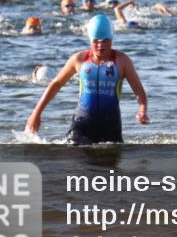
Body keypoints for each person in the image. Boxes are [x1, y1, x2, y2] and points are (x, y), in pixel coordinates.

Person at [25, 14, 149, 144]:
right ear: (90, 39)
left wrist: (142, 110)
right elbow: (56, 84)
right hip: (81, 124)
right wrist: (36, 113)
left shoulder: (122, 61)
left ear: (112, 38)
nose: (100, 45)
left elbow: (139, 91)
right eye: (96, 41)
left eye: (105, 40)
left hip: (111, 126)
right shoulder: (79, 60)